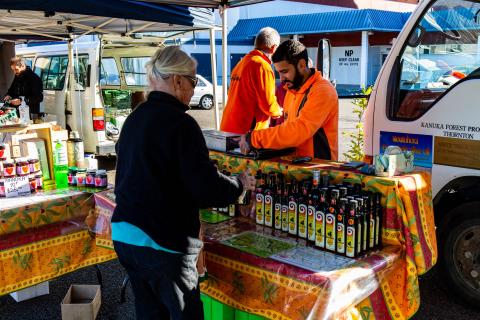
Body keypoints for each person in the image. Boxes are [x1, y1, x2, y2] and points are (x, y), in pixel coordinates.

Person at [112, 46, 255, 320]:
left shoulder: (135, 118)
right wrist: (238, 184)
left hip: (125, 235)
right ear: (178, 81)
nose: (193, 89)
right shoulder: (181, 124)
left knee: (150, 313)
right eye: (192, 81)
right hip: (162, 242)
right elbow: (205, 188)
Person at [239, 40, 339, 160]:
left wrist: (254, 138)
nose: (281, 79)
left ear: (302, 65)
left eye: (284, 72)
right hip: (296, 166)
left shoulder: (322, 90)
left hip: (319, 170)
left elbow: (298, 131)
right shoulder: (291, 90)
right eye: (279, 73)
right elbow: (287, 131)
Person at [220, 27, 283, 134]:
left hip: (228, 125)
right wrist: (279, 111)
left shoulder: (242, 63)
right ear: (274, 48)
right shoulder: (262, 65)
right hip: (246, 132)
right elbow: (268, 104)